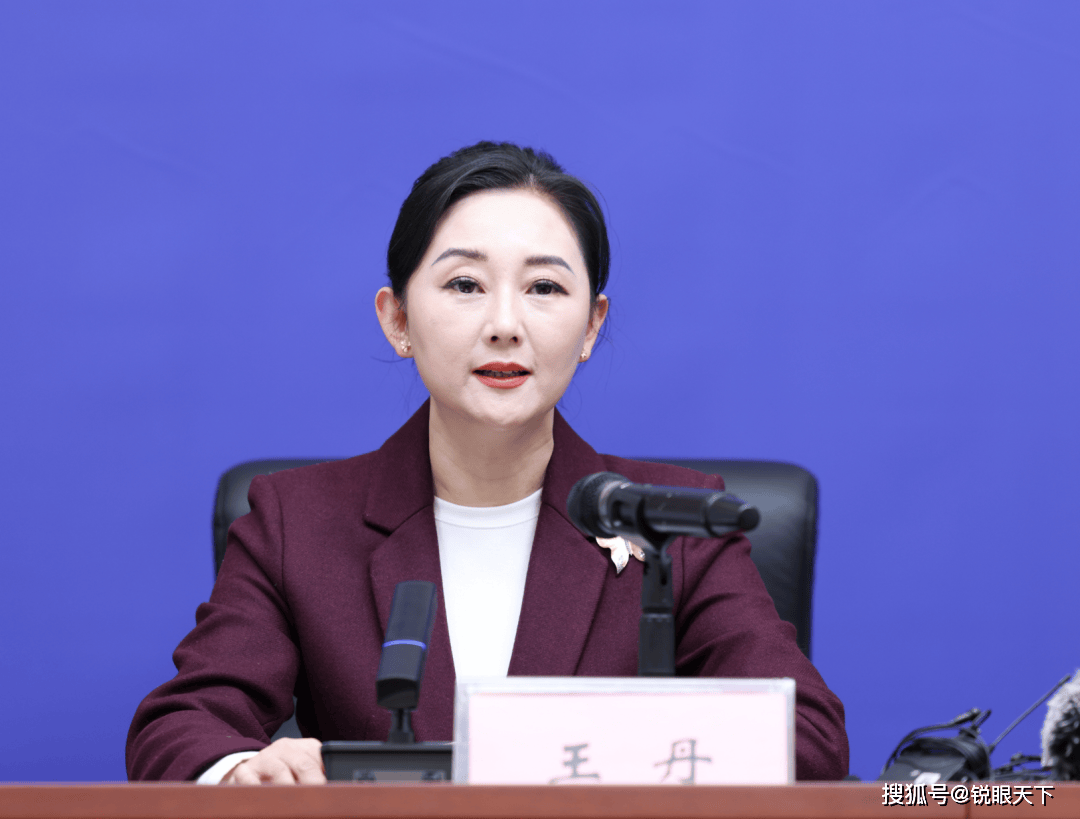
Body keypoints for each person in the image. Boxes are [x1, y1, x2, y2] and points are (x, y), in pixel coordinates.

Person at [126, 141, 849, 783]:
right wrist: (241, 771)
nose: (505, 324)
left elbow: (809, 738)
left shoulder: (672, 524)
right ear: (397, 319)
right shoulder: (296, 521)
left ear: (592, 326)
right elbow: (182, 725)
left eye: (544, 288)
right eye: (465, 285)